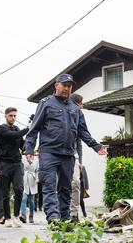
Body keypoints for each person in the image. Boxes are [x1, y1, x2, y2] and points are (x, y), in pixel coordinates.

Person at [25, 74, 107, 225]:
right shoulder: (46, 103)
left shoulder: (75, 108)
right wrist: (29, 149)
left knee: (65, 188)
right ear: (56, 86)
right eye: (64, 85)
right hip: (48, 152)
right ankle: (53, 218)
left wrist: (97, 146)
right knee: (49, 185)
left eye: (69, 86)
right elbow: (34, 128)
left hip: (68, 154)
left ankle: (64, 218)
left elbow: (83, 132)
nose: (67, 88)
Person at [0, 107, 28, 227]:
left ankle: (15, 216)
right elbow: (14, 136)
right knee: (5, 193)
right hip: (4, 163)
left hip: (17, 163)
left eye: (15, 116)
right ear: (5, 116)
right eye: (11, 115)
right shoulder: (1, 129)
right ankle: (8, 218)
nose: (13, 118)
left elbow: (21, 144)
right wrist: (28, 129)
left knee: (19, 189)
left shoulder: (17, 129)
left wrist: (26, 145)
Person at [68, 93, 86, 223]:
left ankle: (74, 214)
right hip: (60, 155)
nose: (83, 106)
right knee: (61, 185)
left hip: (73, 156)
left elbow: (79, 142)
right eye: (81, 104)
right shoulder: (64, 115)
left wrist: (80, 160)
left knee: (76, 183)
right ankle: (60, 214)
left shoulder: (79, 118)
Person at [20, 150, 39, 224]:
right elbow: (23, 167)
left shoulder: (36, 159)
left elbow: (37, 170)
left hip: (33, 180)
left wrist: (37, 178)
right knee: (24, 198)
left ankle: (31, 216)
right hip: (24, 179)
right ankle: (23, 215)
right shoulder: (23, 158)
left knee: (31, 200)